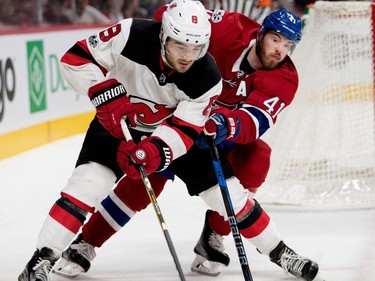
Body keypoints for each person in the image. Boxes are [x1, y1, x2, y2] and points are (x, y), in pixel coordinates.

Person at [54, 6, 323, 281]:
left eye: (288, 44)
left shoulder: (285, 78)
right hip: (179, 118)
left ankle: (215, 237)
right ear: (260, 34)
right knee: (147, 177)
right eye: (275, 39)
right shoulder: (229, 27)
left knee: (256, 158)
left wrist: (224, 125)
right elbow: (170, 16)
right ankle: (86, 243)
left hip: (219, 133)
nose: (280, 50)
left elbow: (255, 121)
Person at [18, 0, 222, 280]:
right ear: (164, 35)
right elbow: (75, 58)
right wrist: (103, 90)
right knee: (86, 186)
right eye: (180, 46)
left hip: (155, 134)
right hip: (113, 124)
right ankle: (42, 259)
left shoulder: (208, 75)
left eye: (196, 48)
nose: (188, 56)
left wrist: (154, 151)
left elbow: (185, 128)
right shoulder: (130, 33)